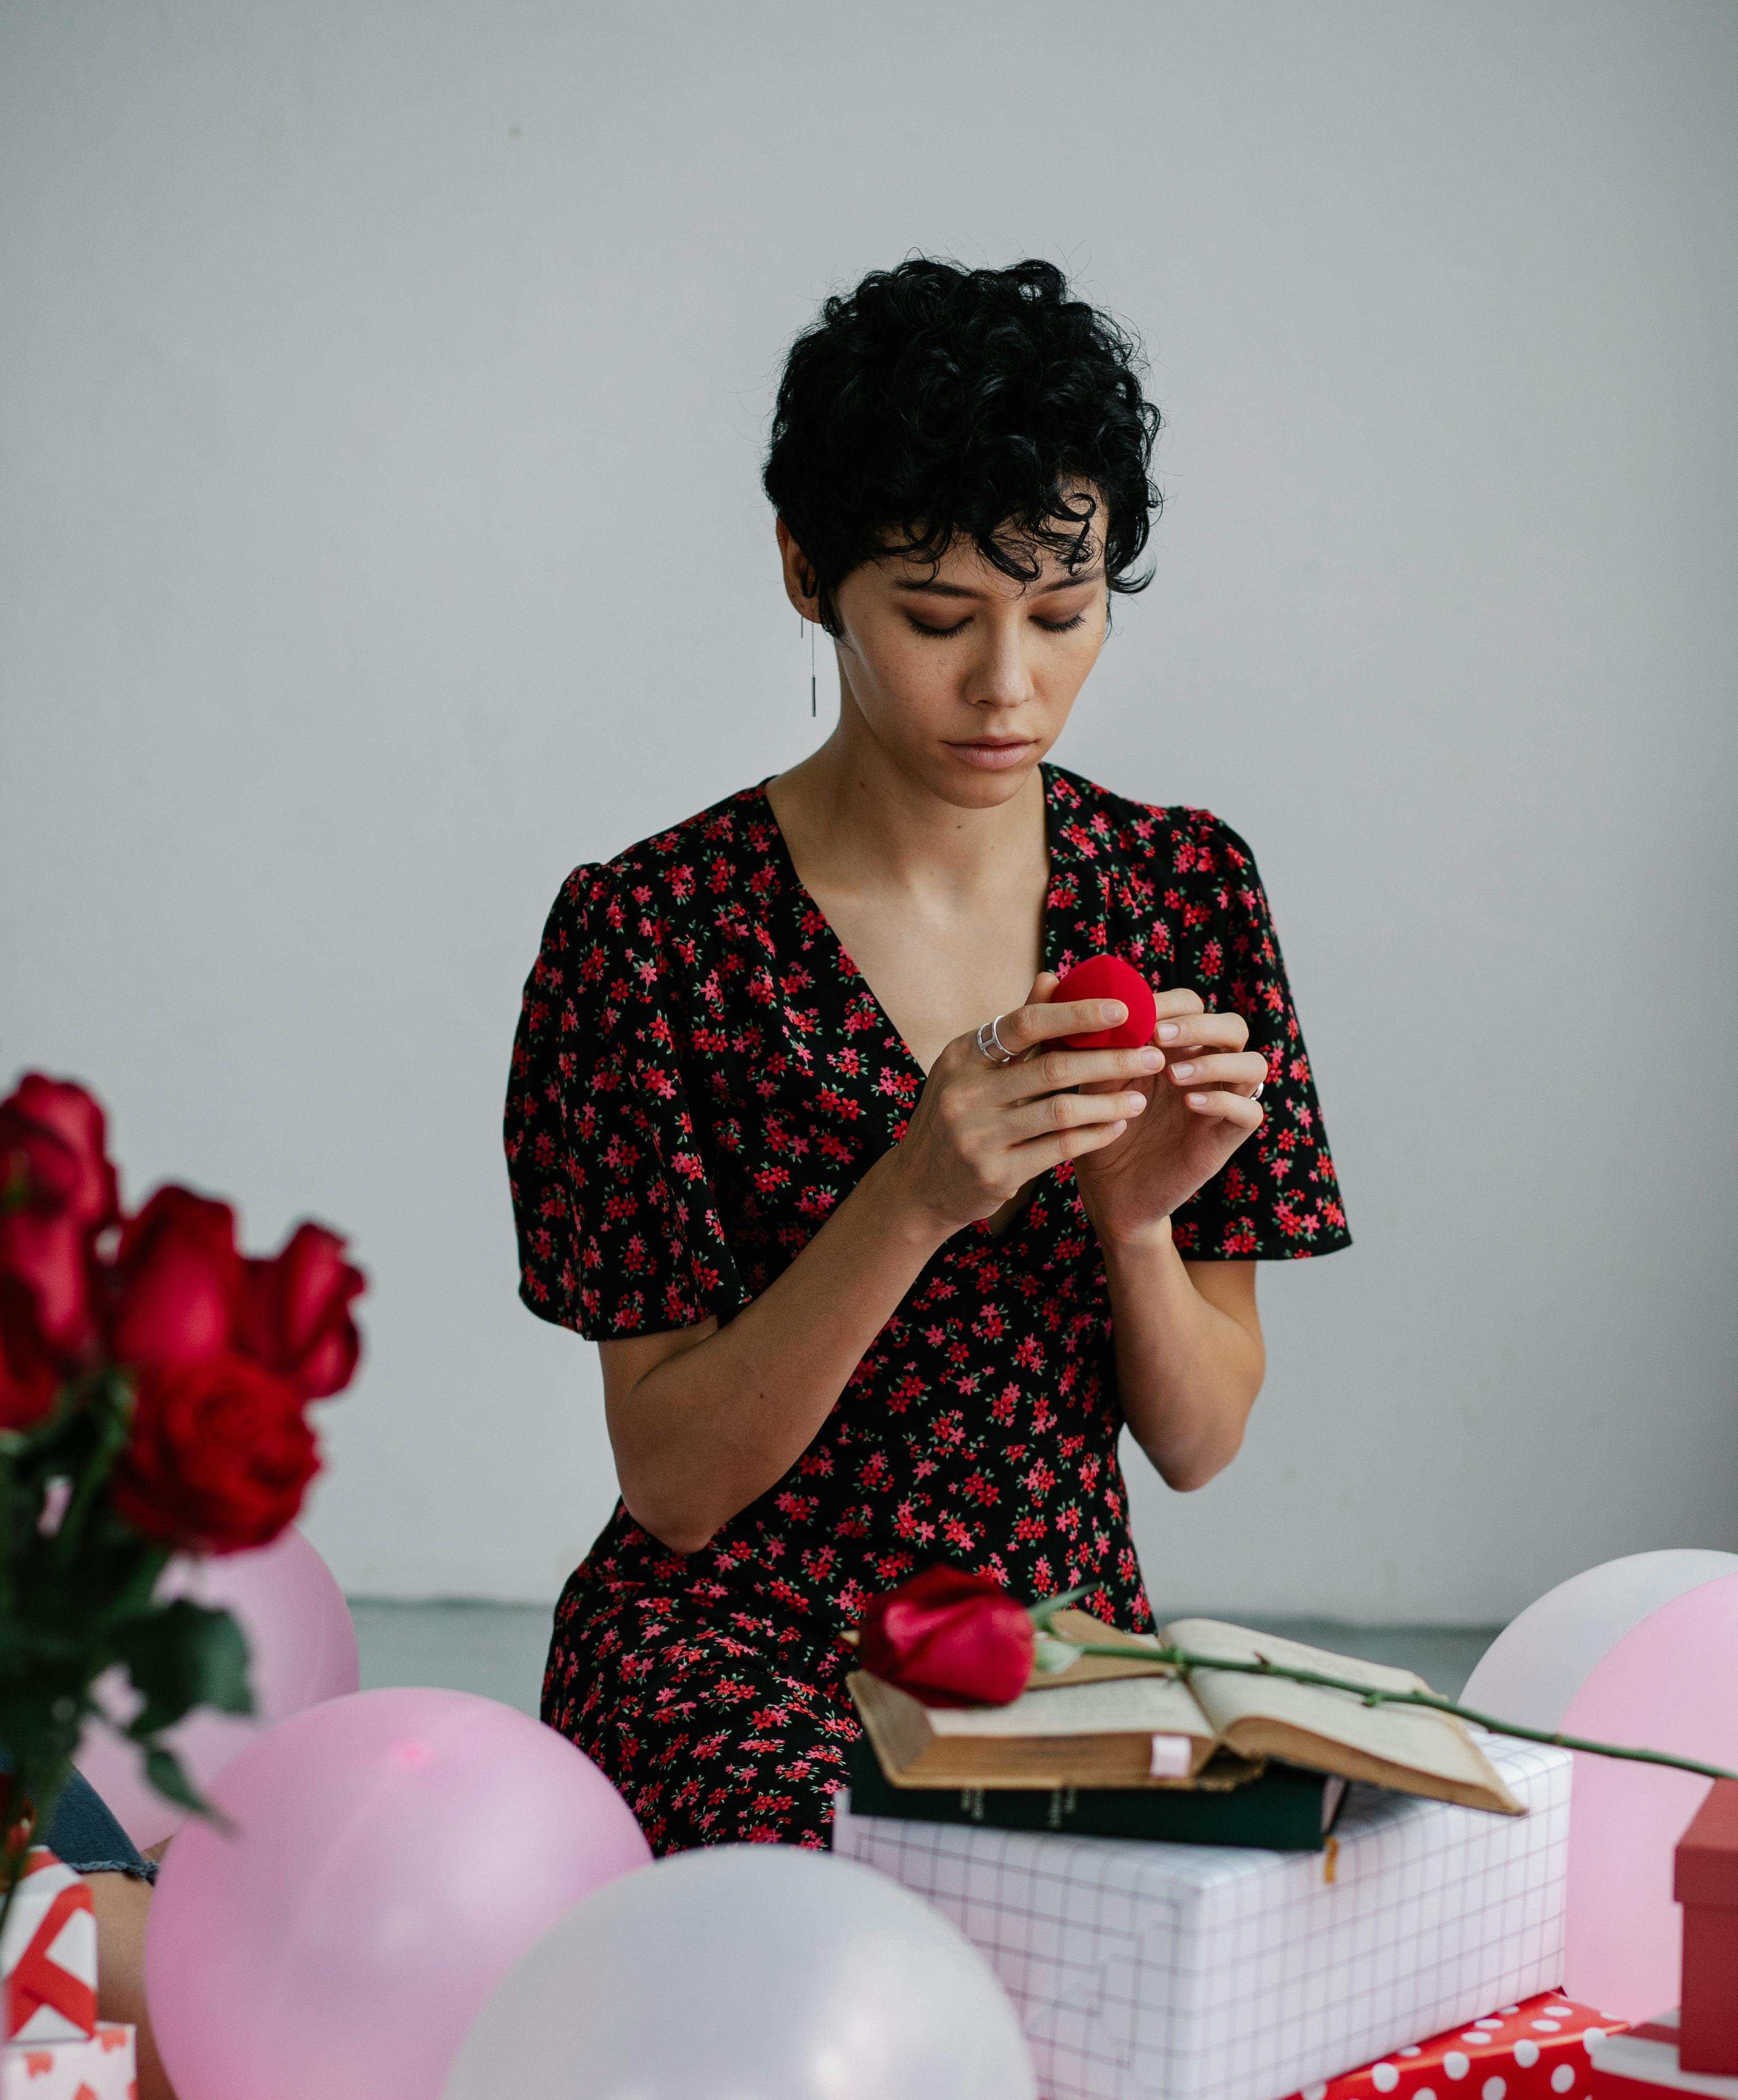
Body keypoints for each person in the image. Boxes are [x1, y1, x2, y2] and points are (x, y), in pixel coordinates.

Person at [505, 256, 1350, 1858]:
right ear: (805, 571)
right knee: (841, 1936)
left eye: (1064, 614)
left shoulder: (1190, 891)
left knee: (1265, 1923)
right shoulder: (647, 937)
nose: (1007, 686)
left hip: (1060, 1664)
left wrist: (1134, 1217)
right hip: (734, 1660)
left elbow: (1198, 1444)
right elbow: (676, 1486)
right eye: (939, 618)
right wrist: (911, 1193)